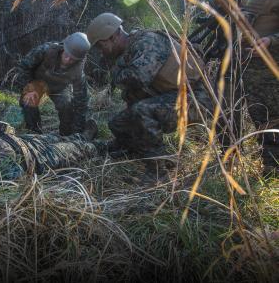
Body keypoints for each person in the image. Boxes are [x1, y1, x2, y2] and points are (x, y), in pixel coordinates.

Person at [86, 13, 211, 175]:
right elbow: (135, 93)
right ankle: (134, 150)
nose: (102, 52)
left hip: (197, 99)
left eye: (102, 47)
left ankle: (158, 170)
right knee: (118, 123)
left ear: (112, 37)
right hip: (173, 96)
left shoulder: (148, 41)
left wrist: (117, 74)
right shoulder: (129, 51)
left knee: (142, 111)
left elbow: (139, 78)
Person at [0, 119, 99, 180]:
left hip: (18, 139)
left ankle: (82, 136)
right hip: (35, 158)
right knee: (77, 150)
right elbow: (15, 180)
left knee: (58, 137)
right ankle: (107, 146)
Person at [238, 0, 279, 173]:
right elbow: (227, 8)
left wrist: (271, 40)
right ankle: (268, 161)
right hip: (248, 61)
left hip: (273, 61)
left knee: (273, 114)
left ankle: (273, 167)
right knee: (257, 112)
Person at [16, 32, 91, 135]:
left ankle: (65, 137)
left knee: (67, 106)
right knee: (29, 101)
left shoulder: (78, 73)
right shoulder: (46, 50)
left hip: (59, 88)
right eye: (66, 55)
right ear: (64, 47)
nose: (67, 60)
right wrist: (27, 87)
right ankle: (34, 134)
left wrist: (78, 131)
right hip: (37, 82)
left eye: (72, 59)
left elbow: (81, 103)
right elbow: (24, 66)